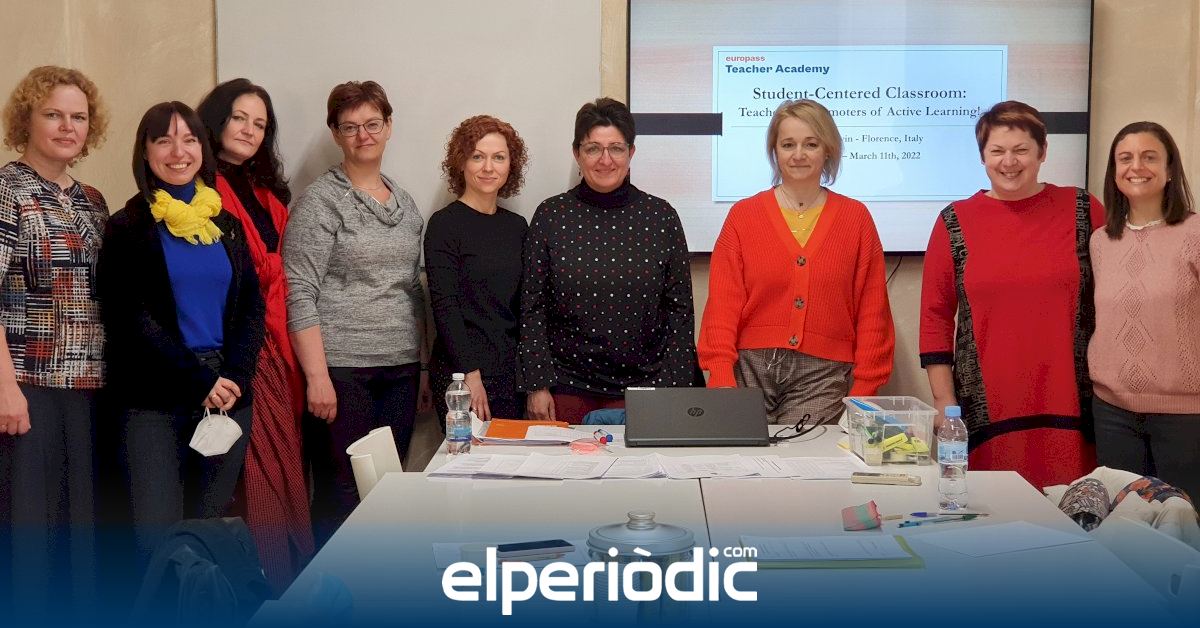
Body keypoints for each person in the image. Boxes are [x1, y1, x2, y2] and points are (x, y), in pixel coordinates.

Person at [98, 101, 264, 559]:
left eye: (189, 140)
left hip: (226, 395)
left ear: (203, 149)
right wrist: (199, 380)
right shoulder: (127, 226)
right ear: (145, 151)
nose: (178, 152)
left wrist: (235, 376)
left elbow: (251, 307)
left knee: (210, 534)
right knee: (161, 543)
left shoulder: (225, 224)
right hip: (153, 399)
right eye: (164, 140)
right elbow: (130, 319)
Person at [920, 100, 1104, 490]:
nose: (1009, 162)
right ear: (982, 156)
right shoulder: (954, 221)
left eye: (1021, 150)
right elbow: (935, 316)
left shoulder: (1084, 210)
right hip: (987, 415)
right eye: (997, 151)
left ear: (1042, 151)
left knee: (1075, 517)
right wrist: (943, 402)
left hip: (1074, 407)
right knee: (994, 516)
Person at [282, 81, 429, 545]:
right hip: (342, 371)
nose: (363, 135)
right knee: (341, 494)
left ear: (388, 127)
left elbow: (413, 288)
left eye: (372, 124)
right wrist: (317, 377)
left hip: (401, 369)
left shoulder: (405, 203)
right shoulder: (320, 202)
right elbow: (299, 290)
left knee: (387, 491)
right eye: (350, 127)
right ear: (335, 134)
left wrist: (424, 367)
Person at [698, 99, 894, 426]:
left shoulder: (856, 219)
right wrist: (720, 376)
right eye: (788, 144)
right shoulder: (743, 216)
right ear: (774, 151)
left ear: (828, 150)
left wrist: (865, 390)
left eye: (811, 144)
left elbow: (873, 311)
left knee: (807, 455)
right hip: (748, 369)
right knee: (744, 457)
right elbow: (722, 305)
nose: (798, 154)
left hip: (821, 373)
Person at [0, 65, 108, 620]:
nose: (68, 127)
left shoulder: (92, 200)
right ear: (27, 120)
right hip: (28, 387)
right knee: (30, 541)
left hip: (88, 389)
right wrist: (6, 389)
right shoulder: (7, 191)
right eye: (54, 115)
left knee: (79, 537)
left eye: (78, 117)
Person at [197, 78, 313, 593]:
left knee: (284, 467)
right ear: (216, 120)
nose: (249, 130)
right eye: (239, 118)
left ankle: (285, 584)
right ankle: (255, 589)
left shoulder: (269, 194)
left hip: (278, 341)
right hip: (236, 346)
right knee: (248, 474)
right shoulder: (198, 189)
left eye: (260, 124)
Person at [519, 97, 698, 424]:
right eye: (593, 149)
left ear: (631, 153)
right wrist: (537, 384)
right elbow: (533, 307)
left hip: (647, 390)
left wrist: (676, 390)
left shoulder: (661, 217)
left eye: (616, 148)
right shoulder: (551, 216)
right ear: (577, 154)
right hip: (565, 390)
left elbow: (680, 312)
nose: (605, 160)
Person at [1088, 121, 1199, 500]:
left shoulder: (1195, 233)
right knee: (1124, 526)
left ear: (1169, 170)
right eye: (1125, 158)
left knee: (1184, 527)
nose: (1136, 167)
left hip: (1186, 417)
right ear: (1114, 171)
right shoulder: (1101, 241)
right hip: (1112, 412)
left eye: (1149, 157)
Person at [425, 115, 529, 424]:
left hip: (510, 375)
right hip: (461, 376)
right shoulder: (444, 225)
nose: (488, 167)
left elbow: (524, 306)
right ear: (461, 162)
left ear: (511, 165)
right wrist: (470, 375)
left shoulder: (517, 227)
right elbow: (445, 306)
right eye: (477, 157)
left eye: (499, 157)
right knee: (466, 454)